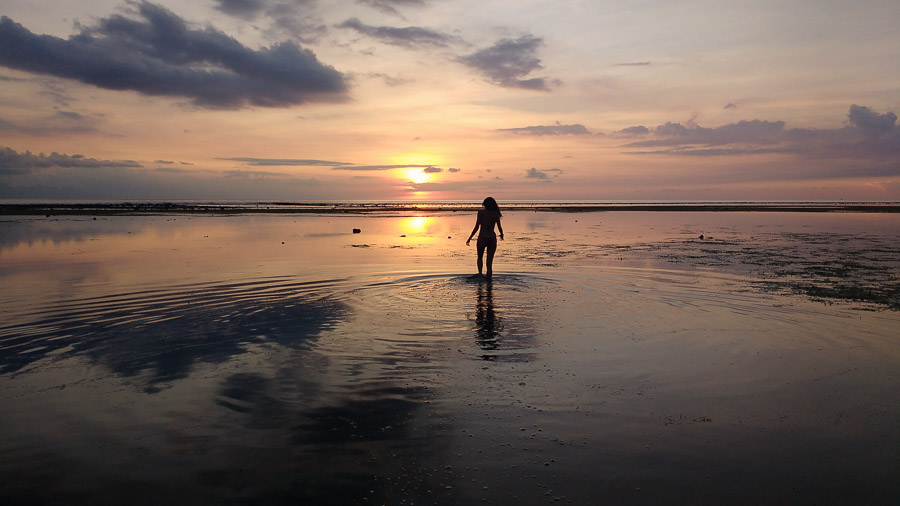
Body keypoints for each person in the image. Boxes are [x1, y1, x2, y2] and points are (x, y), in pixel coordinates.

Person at [466, 197, 504, 280]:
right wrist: (501, 234)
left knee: (480, 257)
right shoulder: (495, 213)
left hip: (482, 238)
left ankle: (480, 274)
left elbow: (476, 227)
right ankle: (489, 280)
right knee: (489, 262)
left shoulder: (481, 213)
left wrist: (469, 238)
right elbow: (499, 227)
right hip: (492, 238)